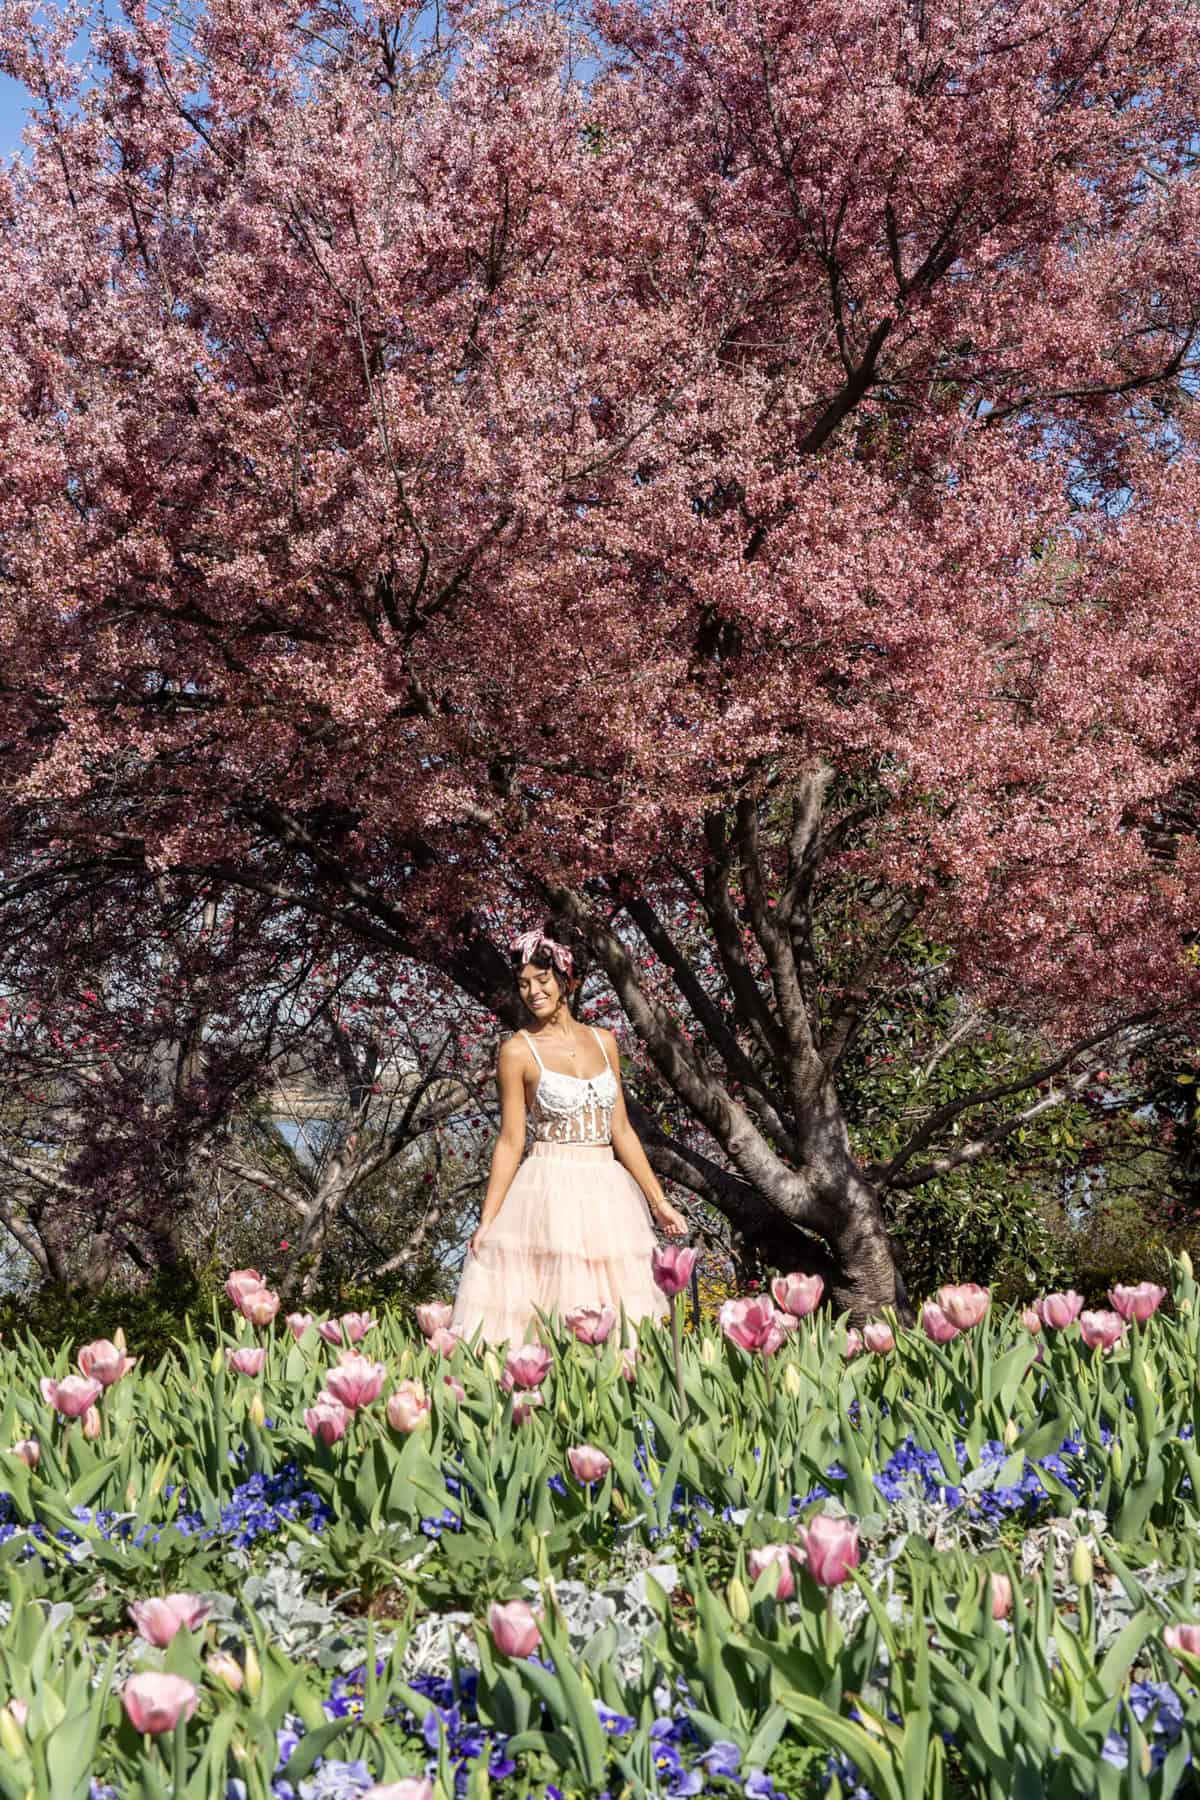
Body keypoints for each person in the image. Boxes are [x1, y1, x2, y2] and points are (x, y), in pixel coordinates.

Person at [450, 923, 690, 1346]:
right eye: (524, 984)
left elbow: (621, 1130)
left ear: (566, 981)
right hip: (548, 1190)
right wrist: (487, 1221)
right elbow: (510, 1141)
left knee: (623, 1322)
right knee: (553, 1319)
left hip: (608, 1193)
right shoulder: (518, 1051)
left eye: (542, 981)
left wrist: (659, 1202)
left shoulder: (604, 1042)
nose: (533, 992)